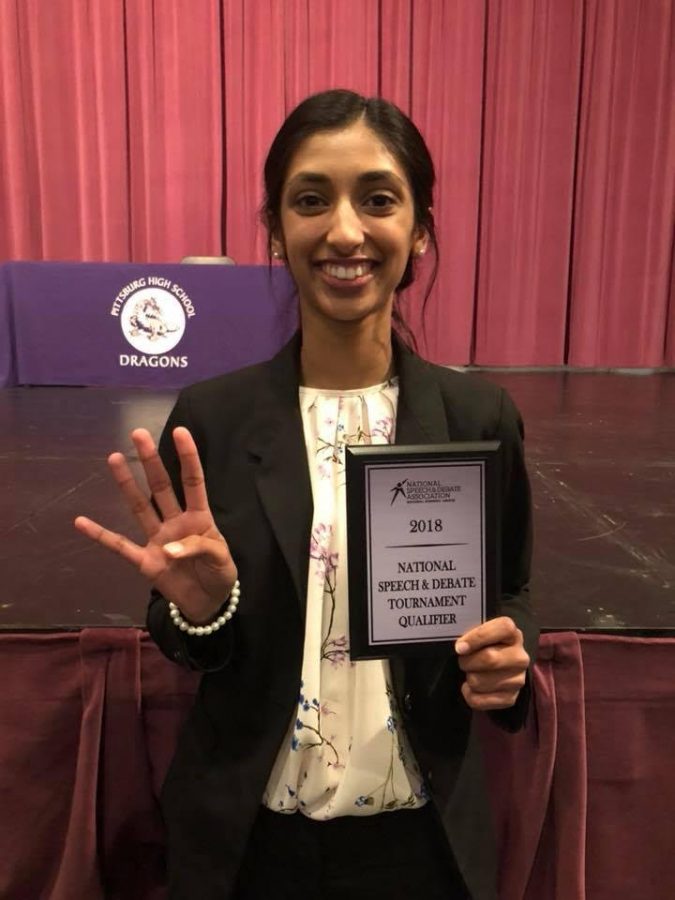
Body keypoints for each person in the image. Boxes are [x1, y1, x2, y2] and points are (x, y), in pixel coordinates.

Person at [75, 89, 538, 900]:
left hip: (420, 846)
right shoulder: (212, 419)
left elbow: (510, 593)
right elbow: (187, 637)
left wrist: (506, 669)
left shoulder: (476, 417)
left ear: (420, 228)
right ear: (277, 232)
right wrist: (201, 608)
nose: (346, 231)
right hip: (249, 847)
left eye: (379, 199)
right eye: (311, 200)